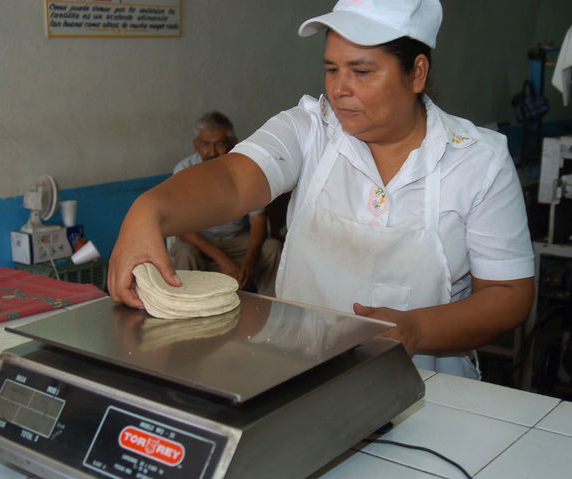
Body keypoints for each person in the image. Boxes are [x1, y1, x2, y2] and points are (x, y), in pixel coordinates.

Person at [108, 0, 535, 379]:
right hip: (300, 375)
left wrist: (415, 329)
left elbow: (508, 294)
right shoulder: (310, 129)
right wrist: (150, 209)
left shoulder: (477, 160)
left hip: (430, 387)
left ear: (417, 72)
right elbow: (234, 180)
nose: (339, 88)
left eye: (361, 71)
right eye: (332, 69)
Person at [168, 111, 282, 296]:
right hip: (200, 242)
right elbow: (181, 228)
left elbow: (258, 220)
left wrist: (250, 260)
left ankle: (271, 306)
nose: (212, 152)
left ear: (233, 143)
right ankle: (185, 308)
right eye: (205, 144)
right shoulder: (183, 171)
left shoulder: (247, 171)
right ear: (196, 145)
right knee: (184, 252)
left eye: (219, 144)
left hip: (236, 240)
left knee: (272, 248)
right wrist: (222, 259)